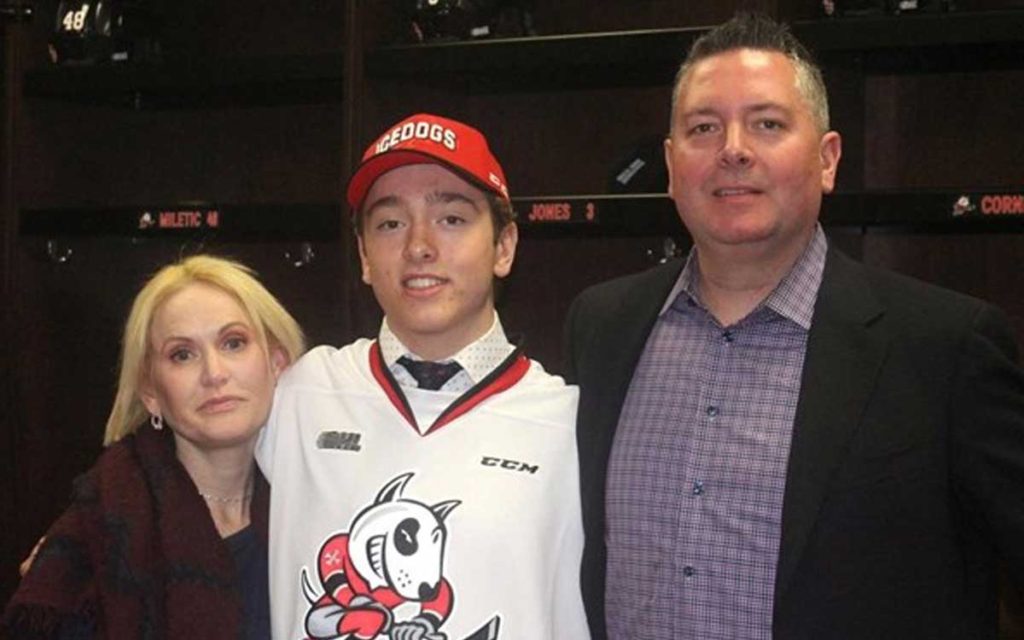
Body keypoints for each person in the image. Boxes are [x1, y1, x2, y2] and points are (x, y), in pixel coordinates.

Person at [565, 12, 1024, 640]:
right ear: (671, 167)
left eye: (768, 124)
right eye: (704, 128)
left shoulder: (947, 349)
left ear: (828, 159)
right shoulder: (602, 326)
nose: (733, 149)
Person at [256, 113, 590, 640]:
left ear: (504, 246)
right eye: (390, 223)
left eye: (451, 219)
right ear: (364, 255)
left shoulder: (572, 422)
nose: (418, 246)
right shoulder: (300, 392)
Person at [2, 255, 305, 639]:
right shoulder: (96, 534)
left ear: (277, 363)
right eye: (182, 354)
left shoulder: (322, 505)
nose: (214, 373)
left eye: (233, 343)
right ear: (150, 393)